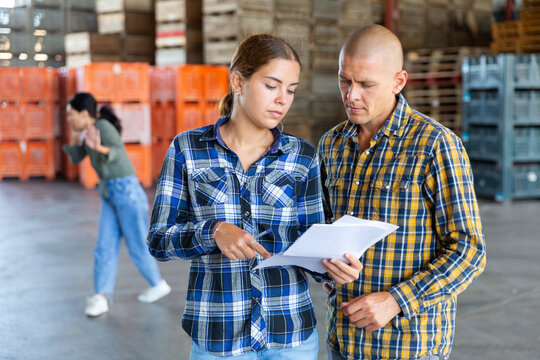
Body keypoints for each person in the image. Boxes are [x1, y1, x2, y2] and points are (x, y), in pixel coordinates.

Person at [147, 34, 362, 359]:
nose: (282, 100)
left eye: (290, 90)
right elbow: (159, 240)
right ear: (238, 81)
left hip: (290, 336)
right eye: (271, 86)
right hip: (219, 337)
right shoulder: (187, 150)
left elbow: (310, 243)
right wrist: (213, 231)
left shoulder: (301, 157)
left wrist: (334, 267)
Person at [318, 25, 487, 360]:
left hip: (408, 347)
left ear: (398, 81)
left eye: (366, 84)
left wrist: (397, 300)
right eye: (344, 80)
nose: (351, 95)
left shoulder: (435, 145)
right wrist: (326, 268)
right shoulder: (331, 144)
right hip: (344, 342)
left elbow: (469, 251)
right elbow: (324, 232)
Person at [63, 93, 171, 317]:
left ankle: (158, 284)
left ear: (84, 114)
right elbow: (75, 158)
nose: (70, 119)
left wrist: (98, 147)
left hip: (126, 192)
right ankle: (100, 297)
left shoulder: (102, 126)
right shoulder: (87, 133)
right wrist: (75, 135)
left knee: (137, 247)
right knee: (104, 247)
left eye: (72, 115)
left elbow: (118, 151)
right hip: (109, 194)